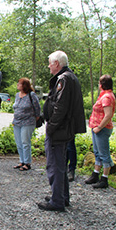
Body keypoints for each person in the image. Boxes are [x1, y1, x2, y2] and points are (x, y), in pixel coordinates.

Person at [37, 50, 86, 212]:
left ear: (57, 64)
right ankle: (61, 196)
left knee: (55, 165)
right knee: (60, 164)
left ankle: (57, 201)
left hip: (59, 130)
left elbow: (60, 107)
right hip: (64, 129)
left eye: (50, 63)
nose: (49, 66)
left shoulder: (63, 79)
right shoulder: (68, 78)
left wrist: (50, 127)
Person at [85, 75, 116, 189]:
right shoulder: (104, 95)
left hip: (102, 129)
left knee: (104, 154)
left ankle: (104, 178)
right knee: (97, 152)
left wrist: (99, 127)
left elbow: (107, 115)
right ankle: (96, 174)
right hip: (97, 128)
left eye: (99, 83)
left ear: (102, 84)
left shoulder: (107, 97)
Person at [12, 78, 41, 171]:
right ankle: (22, 161)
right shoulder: (17, 95)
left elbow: (37, 109)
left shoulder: (31, 95)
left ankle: (27, 162)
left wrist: (34, 119)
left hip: (28, 122)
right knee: (19, 142)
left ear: (24, 85)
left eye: (19, 83)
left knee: (25, 142)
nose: (17, 84)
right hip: (17, 122)